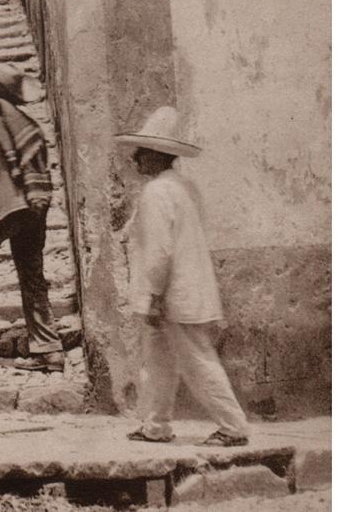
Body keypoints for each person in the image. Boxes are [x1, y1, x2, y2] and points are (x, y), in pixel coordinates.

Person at [116, 106, 250, 447]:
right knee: (160, 361)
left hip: (175, 294)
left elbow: (160, 251)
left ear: (158, 156)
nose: (134, 158)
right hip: (187, 289)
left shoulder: (157, 192)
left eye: (141, 152)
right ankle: (156, 425)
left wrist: (156, 296)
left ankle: (233, 427)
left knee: (197, 362)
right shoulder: (183, 186)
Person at [0, 64, 64, 371]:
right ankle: (50, 349)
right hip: (32, 208)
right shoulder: (28, 123)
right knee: (32, 276)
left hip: (0, 211)